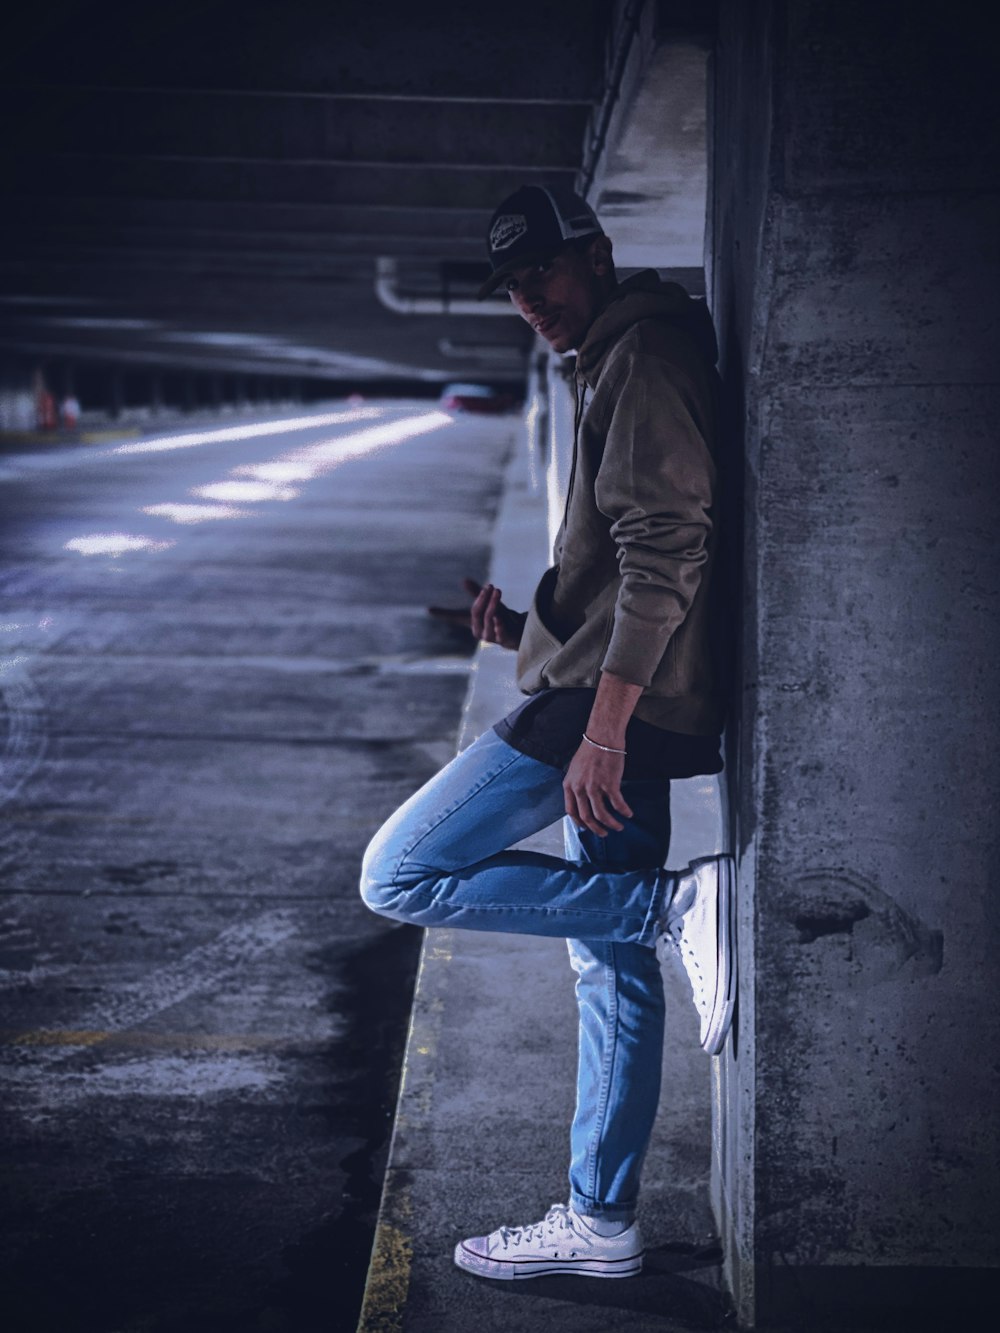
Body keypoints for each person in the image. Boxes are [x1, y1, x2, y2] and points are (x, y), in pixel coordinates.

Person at [360, 183, 735, 1281]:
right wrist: (523, 631)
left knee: (402, 873)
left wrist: (604, 728)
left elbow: (670, 546)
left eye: (544, 275)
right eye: (513, 287)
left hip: (606, 713)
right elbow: (622, 572)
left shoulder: (644, 357)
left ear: (598, 254)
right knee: (608, 971)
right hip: (616, 697)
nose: (529, 300)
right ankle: (601, 1219)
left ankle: (676, 900)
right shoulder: (615, 356)